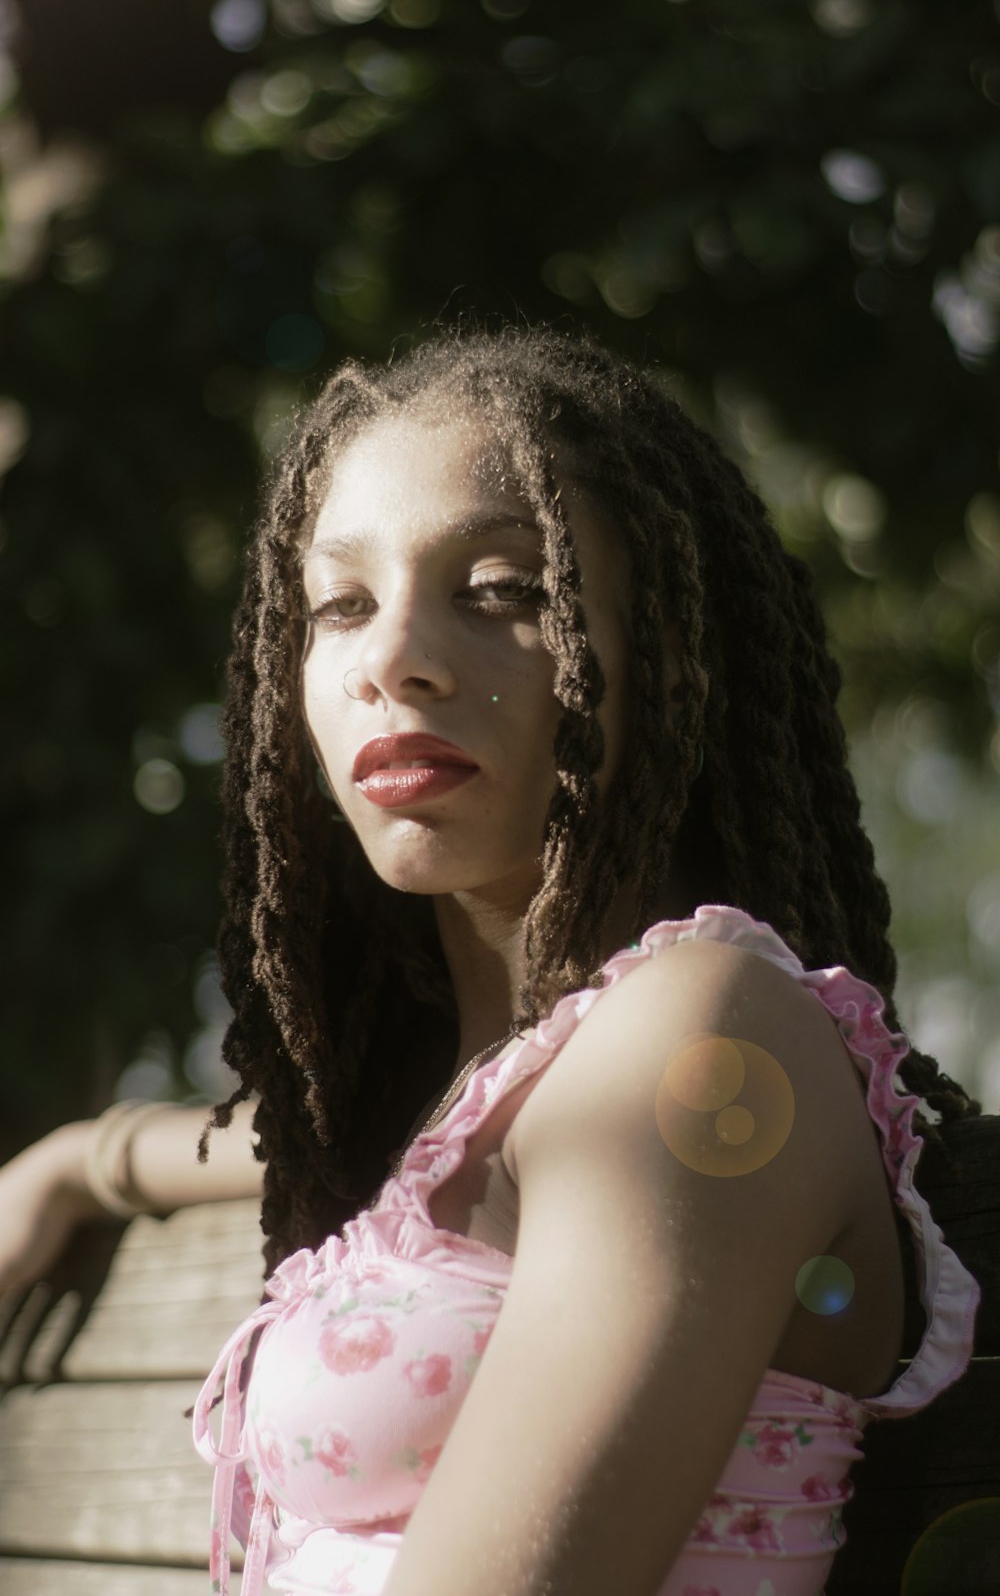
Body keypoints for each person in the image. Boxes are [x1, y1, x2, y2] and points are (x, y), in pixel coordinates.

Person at [0, 324, 981, 1596]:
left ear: (671, 652)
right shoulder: (482, 1090)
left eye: (505, 589)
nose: (392, 658)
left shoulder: (701, 1040)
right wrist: (80, 1161)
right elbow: (277, 1137)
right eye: (341, 603)